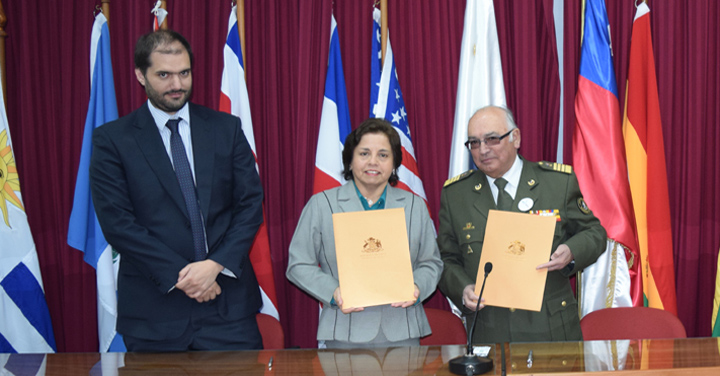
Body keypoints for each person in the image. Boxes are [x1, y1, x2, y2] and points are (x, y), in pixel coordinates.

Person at [89, 30, 264, 351]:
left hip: (227, 308)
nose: (177, 85)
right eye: (164, 75)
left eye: (184, 73)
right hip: (154, 312)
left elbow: (250, 205)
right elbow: (118, 223)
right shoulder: (112, 140)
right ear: (140, 75)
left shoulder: (226, 128)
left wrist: (214, 266)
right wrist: (184, 277)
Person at [437, 105, 606, 343]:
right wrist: (463, 289)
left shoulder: (557, 183)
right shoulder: (456, 195)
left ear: (515, 137)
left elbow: (594, 233)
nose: (482, 150)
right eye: (474, 143)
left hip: (550, 326)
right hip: (490, 328)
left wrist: (571, 251)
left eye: (492, 139)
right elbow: (446, 258)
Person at [286, 118, 442, 348]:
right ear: (349, 161)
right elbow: (298, 264)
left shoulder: (414, 206)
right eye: (364, 153)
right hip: (344, 330)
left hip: (403, 331)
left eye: (383, 155)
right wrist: (334, 292)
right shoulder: (322, 205)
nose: (373, 162)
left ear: (394, 164)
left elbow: (432, 263)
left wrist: (417, 287)